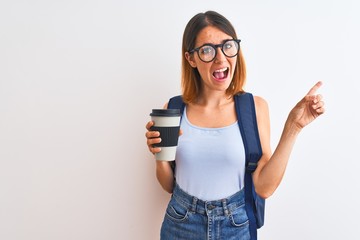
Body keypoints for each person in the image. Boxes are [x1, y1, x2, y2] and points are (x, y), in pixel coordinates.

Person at [145, 10, 325, 240]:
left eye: (227, 46)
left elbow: (264, 188)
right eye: (207, 50)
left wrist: (294, 126)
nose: (221, 59)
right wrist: (159, 156)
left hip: (235, 225)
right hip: (181, 223)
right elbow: (168, 184)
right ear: (191, 58)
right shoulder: (173, 108)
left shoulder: (254, 108)